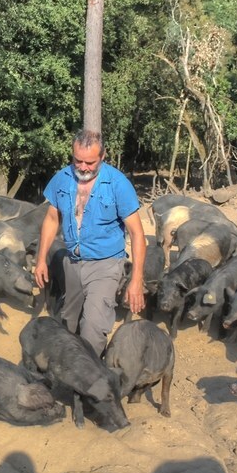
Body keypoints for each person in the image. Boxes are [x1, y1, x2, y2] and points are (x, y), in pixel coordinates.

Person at [35, 129, 146, 357]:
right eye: (78, 161)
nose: (83, 167)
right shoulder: (62, 179)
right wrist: (41, 260)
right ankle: (71, 369)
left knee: (92, 329)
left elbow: (137, 234)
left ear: (103, 156)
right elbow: (51, 218)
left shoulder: (118, 184)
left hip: (106, 265)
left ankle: (91, 386)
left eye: (90, 162)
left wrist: (136, 280)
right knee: (69, 322)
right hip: (73, 262)